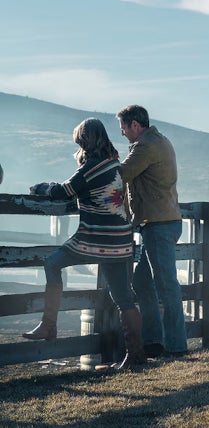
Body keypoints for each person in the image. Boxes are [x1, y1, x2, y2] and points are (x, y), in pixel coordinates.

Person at [25, 118, 146, 369]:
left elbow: (63, 191)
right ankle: (136, 355)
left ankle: (49, 325)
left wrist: (40, 187)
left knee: (52, 264)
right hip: (120, 240)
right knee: (123, 298)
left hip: (96, 236)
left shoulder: (92, 167)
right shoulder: (113, 165)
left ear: (84, 141)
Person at [117, 105, 186, 357]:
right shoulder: (160, 141)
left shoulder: (145, 147)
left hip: (158, 224)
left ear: (135, 125)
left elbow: (122, 174)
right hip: (160, 221)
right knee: (143, 282)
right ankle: (154, 341)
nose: (122, 133)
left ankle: (176, 346)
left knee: (166, 285)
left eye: (123, 127)